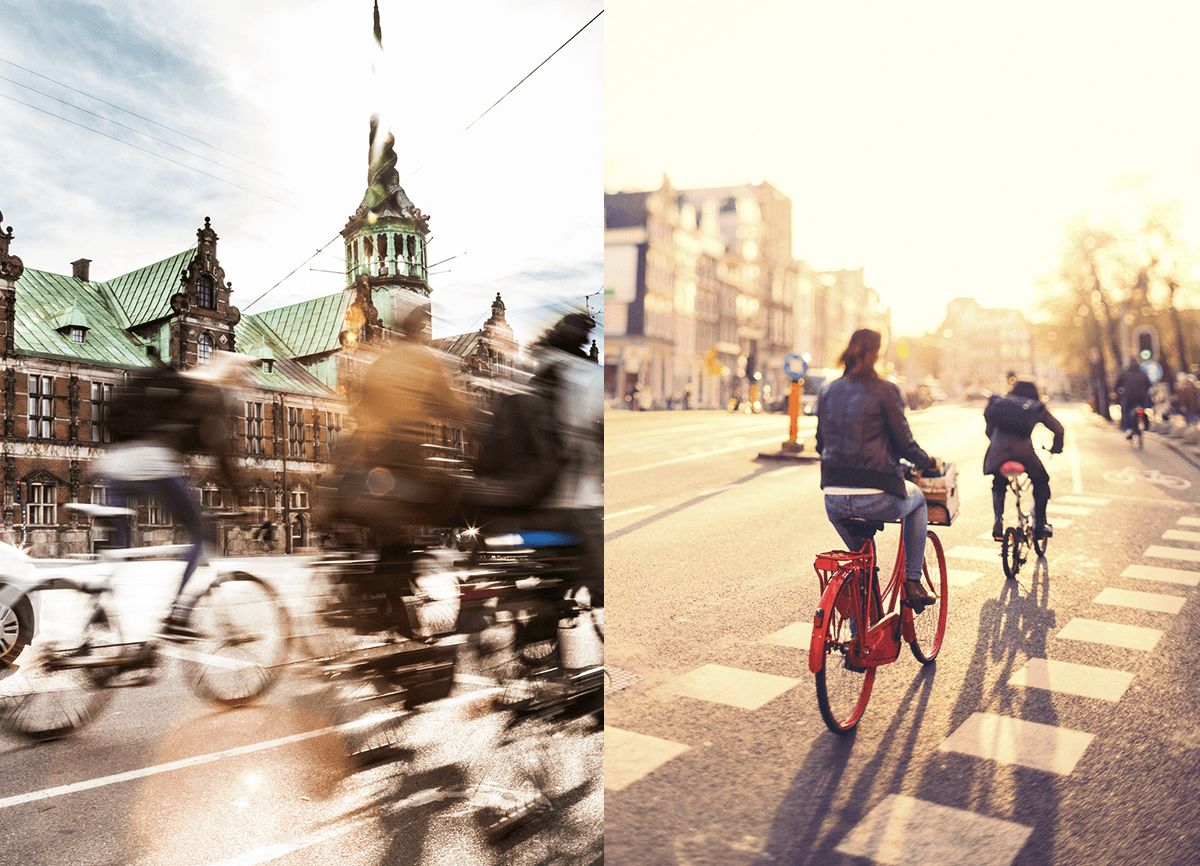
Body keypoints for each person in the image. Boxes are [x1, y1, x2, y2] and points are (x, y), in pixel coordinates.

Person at [98, 352, 250, 637]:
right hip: (153, 461)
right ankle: (177, 617)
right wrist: (243, 499)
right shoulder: (212, 391)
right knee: (202, 532)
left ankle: (93, 609)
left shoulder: (179, 381)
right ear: (232, 373)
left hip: (115, 460)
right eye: (242, 376)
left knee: (118, 547)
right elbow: (223, 457)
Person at [816, 328, 943, 607]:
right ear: (877, 354)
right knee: (918, 499)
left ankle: (857, 635)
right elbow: (905, 445)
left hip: (834, 498)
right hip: (876, 495)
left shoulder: (828, 390)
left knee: (861, 566)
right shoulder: (885, 390)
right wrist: (930, 462)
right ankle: (913, 582)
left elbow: (819, 444)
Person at [984, 380, 1064, 541]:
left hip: (998, 451)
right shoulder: (1035, 406)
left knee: (999, 482)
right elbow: (1059, 429)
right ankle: (1040, 526)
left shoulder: (1001, 403)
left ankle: (998, 521)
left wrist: (996, 442)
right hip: (1023, 452)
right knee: (1041, 481)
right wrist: (1056, 448)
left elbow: (988, 429)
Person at [1115, 358, 1152, 438]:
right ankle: (1144, 425)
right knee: (1143, 409)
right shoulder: (1143, 373)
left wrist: (1118, 392)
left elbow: (1117, 385)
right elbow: (1149, 385)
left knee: (1125, 411)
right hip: (1142, 398)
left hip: (1129, 397)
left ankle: (1127, 429)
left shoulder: (1125, 373)